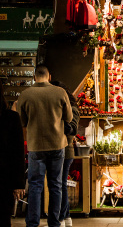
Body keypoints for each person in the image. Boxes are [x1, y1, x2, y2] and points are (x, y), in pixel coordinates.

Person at [17, 65, 73, 227]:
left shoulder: (25, 94)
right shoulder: (60, 93)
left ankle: (32, 223)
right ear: (49, 76)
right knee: (55, 185)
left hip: (36, 147)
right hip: (57, 144)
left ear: (35, 77)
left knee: (35, 186)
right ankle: (54, 223)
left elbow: (22, 122)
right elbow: (68, 118)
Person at [51, 81, 80, 227]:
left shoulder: (72, 108)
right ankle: (66, 217)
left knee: (59, 185)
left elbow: (72, 129)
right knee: (60, 185)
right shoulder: (62, 107)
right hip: (61, 150)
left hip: (66, 150)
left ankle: (62, 218)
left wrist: (55, 124)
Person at [0, 83, 25, 226]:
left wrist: (18, 184)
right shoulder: (11, 118)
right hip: (5, 179)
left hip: (4, 182)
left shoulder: (11, 118)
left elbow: (17, 153)